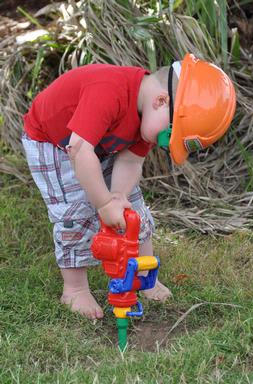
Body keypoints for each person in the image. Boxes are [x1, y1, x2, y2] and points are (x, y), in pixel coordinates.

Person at [22, 53, 236, 320]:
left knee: (131, 209)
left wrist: (118, 197)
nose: (164, 144)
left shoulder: (148, 115)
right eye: (169, 136)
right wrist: (103, 203)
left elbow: (131, 160)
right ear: (162, 101)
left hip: (92, 144)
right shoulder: (109, 90)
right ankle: (74, 289)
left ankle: (144, 276)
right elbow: (77, 149)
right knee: (75, 210)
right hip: (53, 141)